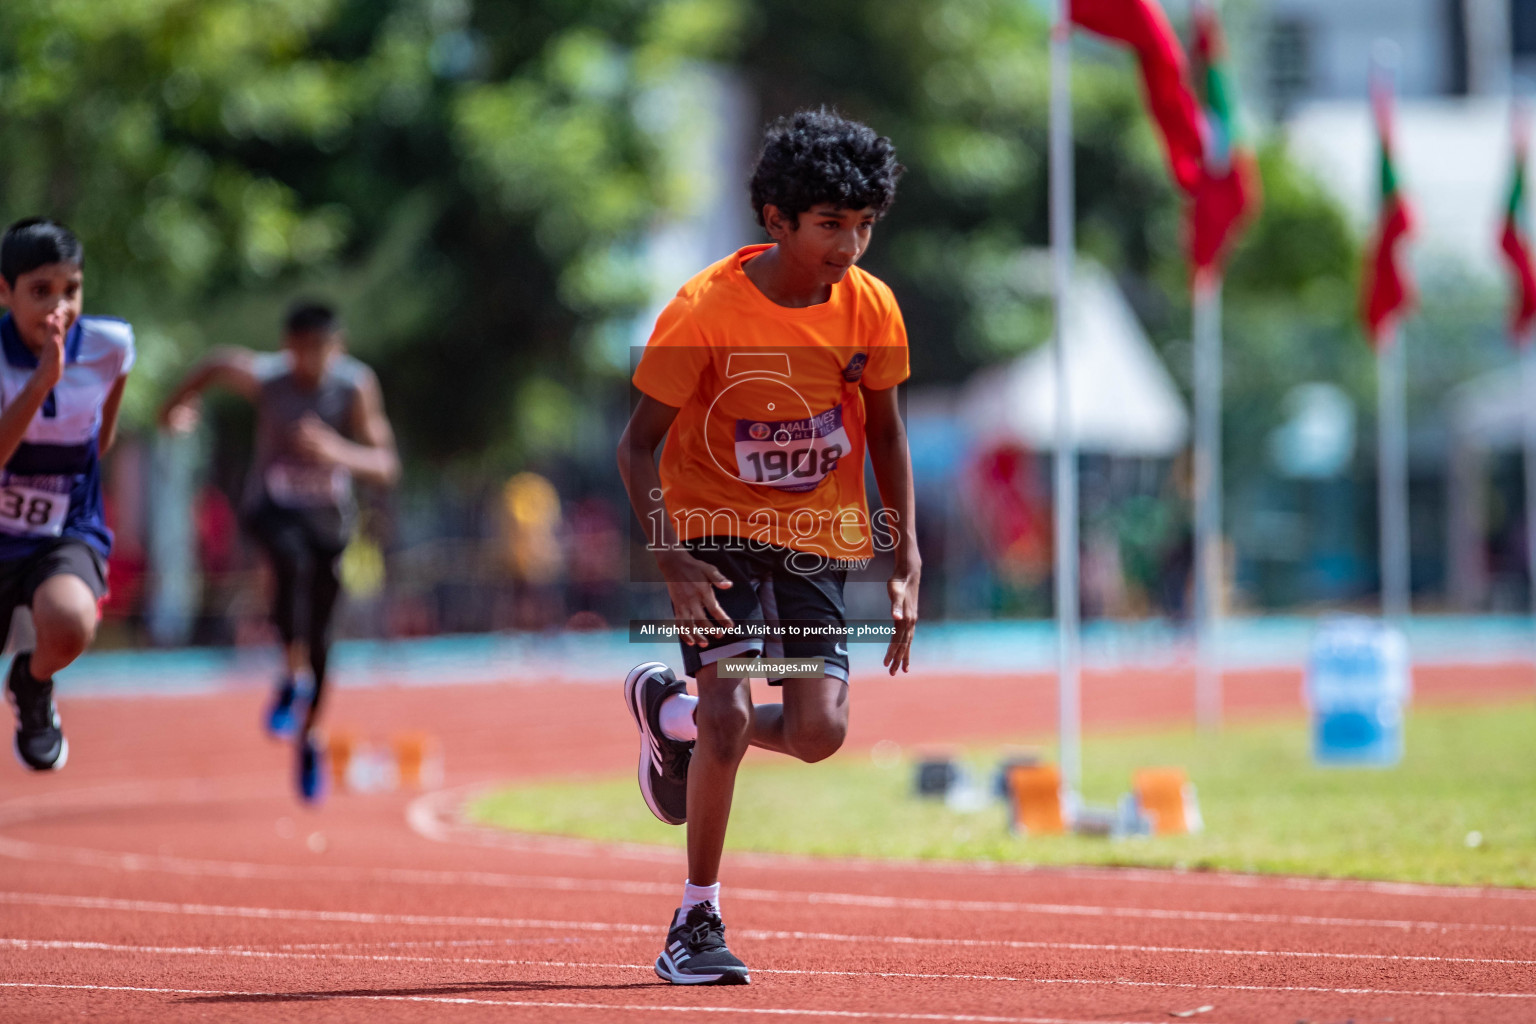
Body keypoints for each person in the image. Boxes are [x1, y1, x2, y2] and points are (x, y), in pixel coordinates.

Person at [617, 109, 920, 985]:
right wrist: (668, 554)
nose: (850, 245)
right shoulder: (706, 309)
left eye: (865, 225)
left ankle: (666, 713)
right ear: (776, 219)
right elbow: (635, 445)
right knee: (732, 713)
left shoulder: (872, 307)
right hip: (711, 533)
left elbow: (889, 435)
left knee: (821, 730)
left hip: (816, 537)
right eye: (831, 224)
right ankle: (694, 919)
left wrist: (904, 556)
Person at [159, 301, 398, 801]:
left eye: (322, 349)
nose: (312, 360)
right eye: (302, 349)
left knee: (323, 637)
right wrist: (176, 405)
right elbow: (217, 363)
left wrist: (338, 452)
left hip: (329, 519)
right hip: (273, 507)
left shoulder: (355, 386)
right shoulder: (269, 379)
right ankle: (291, 678)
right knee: (290, 563)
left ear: (340, 347)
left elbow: (386, 465)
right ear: (287, 347)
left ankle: (309, 735)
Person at [0, 218, 135, 773]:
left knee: (72, 620)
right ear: (4, 291)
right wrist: (41, 384)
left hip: (61, 530)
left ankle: (32, 686)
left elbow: (102, 437)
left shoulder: (111, 347)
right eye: (40, 291)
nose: (59, 306)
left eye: (70, 290)